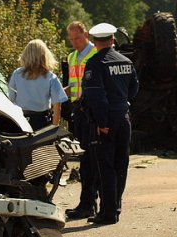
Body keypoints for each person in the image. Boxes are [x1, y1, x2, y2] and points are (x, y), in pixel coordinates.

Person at [80, 22, 139, 224]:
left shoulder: (95, 63)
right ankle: (116, 207)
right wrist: (122, 104)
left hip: (106, 121)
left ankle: (108, 213)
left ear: (94, 42)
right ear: (113, 40)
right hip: (124, 117)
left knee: (106, 167)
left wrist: (102, 121)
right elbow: (134, 89)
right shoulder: (126, 61)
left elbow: (96, 96)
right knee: (121, 164)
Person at [63, 21, 100, 219]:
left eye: (77, 38)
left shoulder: (95, 53)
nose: (74, 42)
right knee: (84, 159)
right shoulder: (72, 57)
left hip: (91, 111)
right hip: (78, 110)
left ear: (85, 34)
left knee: (91, 160)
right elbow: (72, 85)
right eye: (71, 39)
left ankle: (89, 204)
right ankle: (87, 203)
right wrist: (58, 95)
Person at [8, 39, 68, 131]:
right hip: (41, 121)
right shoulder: (50, 77)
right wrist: (54, 128)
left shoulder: (17, 74)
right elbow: (57, 106)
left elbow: (11, 100)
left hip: (21, 120)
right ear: (44, 55)